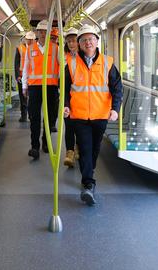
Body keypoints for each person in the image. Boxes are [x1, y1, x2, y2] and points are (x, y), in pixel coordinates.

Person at [63, 24, 122, 205]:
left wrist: (115, 108)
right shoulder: (71, 64)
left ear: (97, 42)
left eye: (91, 39)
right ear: (79, 44)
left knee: (95, 149)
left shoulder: (108, 62)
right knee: (86, 148)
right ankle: (88, 184)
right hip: (79, 116)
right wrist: (65, 106)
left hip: (100, 115)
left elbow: (117, 88)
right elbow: (64, 89)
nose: (88, 42)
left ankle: (89, 171)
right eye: (84, 40)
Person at [22, 20, 60, 160]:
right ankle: (34, 146)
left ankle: (46, 142)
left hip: (51, 87)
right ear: (37, 33)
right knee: (34, 117)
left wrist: (61, 86)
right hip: (34, 87)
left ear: (49, 33)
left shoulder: (56, 48)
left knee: (49, 117)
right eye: (41, 31)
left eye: (46, 31)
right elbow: (26, 68)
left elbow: (61, 68)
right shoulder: (30, 49)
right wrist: (24, 86)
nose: (43, 34)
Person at [62, 27, 79, 168]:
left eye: (73, 41)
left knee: (79, 126)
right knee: (68, 125)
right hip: (67, 96)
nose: (71, 44)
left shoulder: (86, 58)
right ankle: (69, 152)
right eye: (69, 42)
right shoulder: (65, 58)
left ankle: (78, 147)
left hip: (81, 98)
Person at [14, 32, 35, 122]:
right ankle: (23, 116)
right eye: (28, 39)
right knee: (23, 97)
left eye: (31, 39)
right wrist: (17, 75)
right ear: (25, 39)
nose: (29, 41)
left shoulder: (37, 49)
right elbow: (16, 63)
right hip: (22, 76)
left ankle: (31, 115)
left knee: (32, 98)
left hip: (33, 77)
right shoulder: (20, 48)